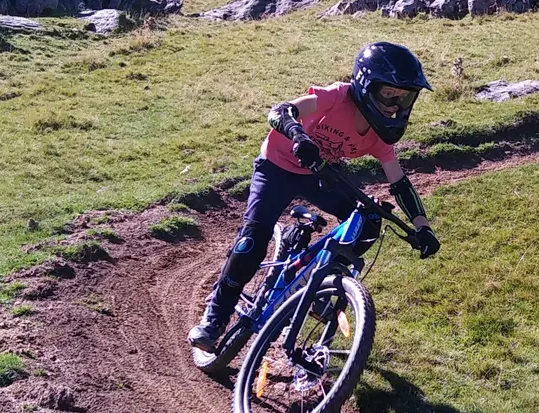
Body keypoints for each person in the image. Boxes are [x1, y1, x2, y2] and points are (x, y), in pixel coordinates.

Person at [188, 42, 441, 351]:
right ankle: (214, 319)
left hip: (319, 174)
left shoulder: (379, 136)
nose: (395, 105)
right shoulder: (337, 97)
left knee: (369, 220)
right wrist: (298, 135)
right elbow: (281, 111)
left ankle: (322, 286)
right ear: (366, 85)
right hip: (277, 166)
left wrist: (423, 227)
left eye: (404, 97)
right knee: (253, 240)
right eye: (388, 94)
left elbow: (399, 183)